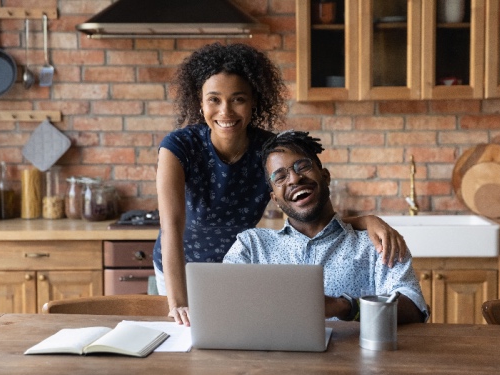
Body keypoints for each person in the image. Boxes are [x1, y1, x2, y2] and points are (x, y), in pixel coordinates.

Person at [155, 43, 409, 325]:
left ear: (254, 102)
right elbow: (171, 228)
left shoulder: (267, 151)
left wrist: (366, 220)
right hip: (180, 268)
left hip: (240, 267)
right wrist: (178, 302)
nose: (225, 110)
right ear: (199, 103)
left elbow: (304, 208)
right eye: (214, 99)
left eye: (238, 99)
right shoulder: (179, 147)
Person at [223, 131, 429, 323]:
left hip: (353, 361)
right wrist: (193, 311)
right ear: (275, 199)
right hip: (271, 361)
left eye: (302, 166)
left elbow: (415, 307)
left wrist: (344, 306)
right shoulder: (251, 246)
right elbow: (220, 303)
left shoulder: (374, 242)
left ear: (326, 176)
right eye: (280, 177)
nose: (294, 178)